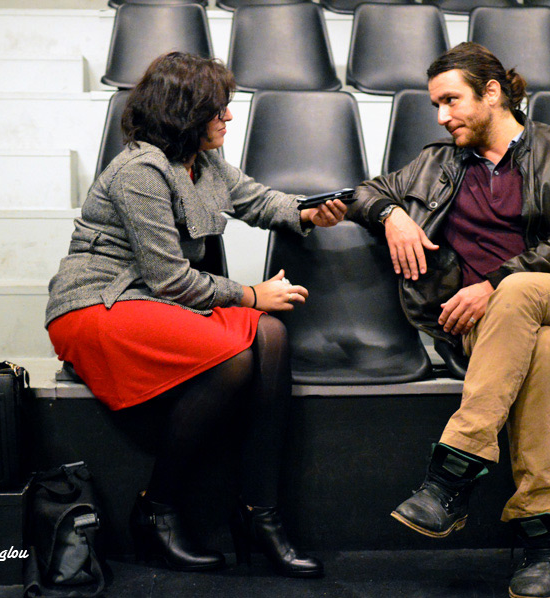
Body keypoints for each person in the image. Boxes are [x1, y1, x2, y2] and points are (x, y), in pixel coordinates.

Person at [345, 42, 550, 598]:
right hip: (494, 328)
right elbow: (365, 193)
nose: (441, 116)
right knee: (539, 349)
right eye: (436, 104)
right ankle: (543, 539)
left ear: (493, 93)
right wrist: (394, 215)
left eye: (451, 100)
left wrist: (494, 283)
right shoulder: (437, 163)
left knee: (520, 292)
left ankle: (450, 476)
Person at [44, 52, 348, 579]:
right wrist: (250, 294)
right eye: (217, 109)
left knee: (271, 334)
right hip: (99, 304)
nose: (228, 117)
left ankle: (260, 513)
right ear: (182, 113)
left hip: (153, 303)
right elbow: (170, 279)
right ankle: (157, 509)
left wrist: (307, 211)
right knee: (235, 354)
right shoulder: (140, 171)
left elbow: (258, 200)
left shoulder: (203, 164)